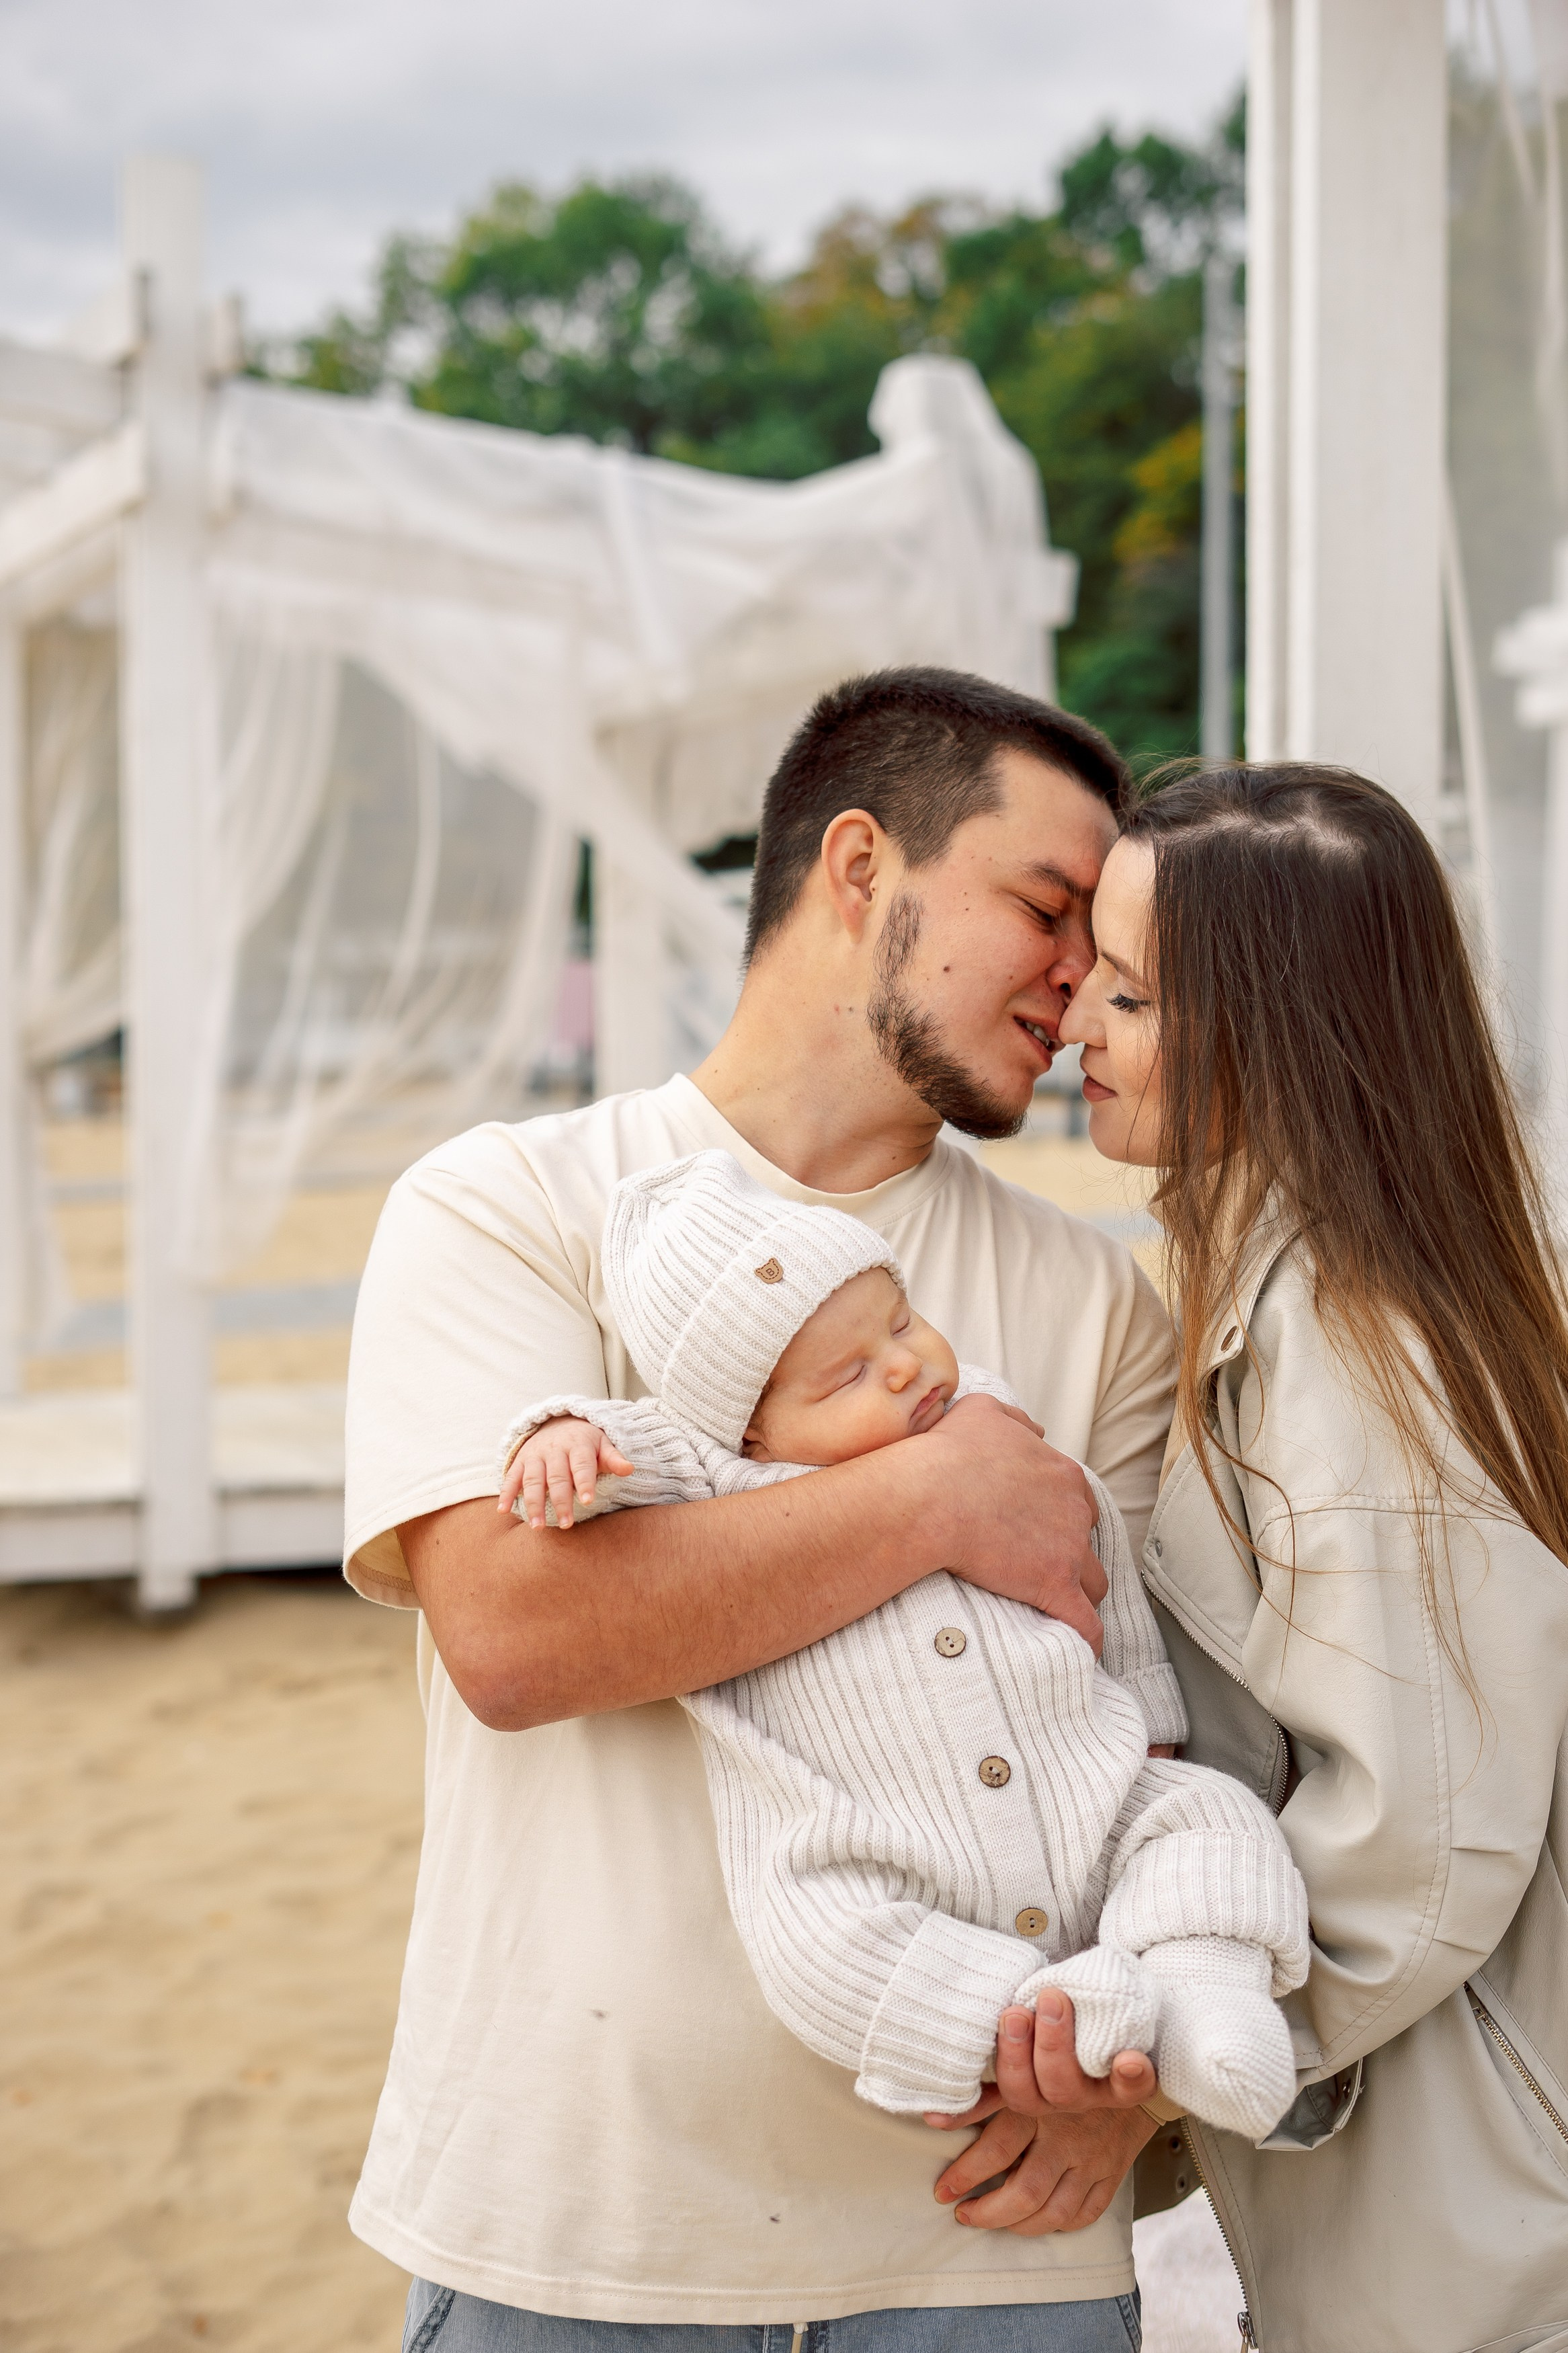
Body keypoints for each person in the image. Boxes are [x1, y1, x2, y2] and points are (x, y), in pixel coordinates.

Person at [343, 667, 1177, 2350]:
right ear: (860, 868)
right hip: (577, 2228)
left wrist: (1136, 2087)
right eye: (1043, 904)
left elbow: (1168, 1755)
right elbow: (519, 1633)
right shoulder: (511, 1205)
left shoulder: (1106, 1309)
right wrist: (947, 1491)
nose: (1083, 974)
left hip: (994, 2247)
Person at [1029, 762, 1568, 2353]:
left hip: (1474, 2237)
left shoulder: (1354, 1346)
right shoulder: (1294, 1286)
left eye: (1128, 994)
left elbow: (1422, 1837)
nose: (1076, 1031)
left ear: (1272, 1030)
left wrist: (1163, 2082)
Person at [499, 1147, 1308, 2139]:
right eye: (846, 1376)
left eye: (900, 1320)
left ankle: (1204, 1994)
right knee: (822, 1953)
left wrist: (1149, 1730)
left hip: (1085, 1792)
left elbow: (1099, 1566)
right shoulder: (716, 1471)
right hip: (870, 1849)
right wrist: (560, 1441)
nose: (904, 1364)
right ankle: (1054, 2015)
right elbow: (617, 1451)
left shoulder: (990, 1426)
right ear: (750, 1433)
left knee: (1208, 1819)